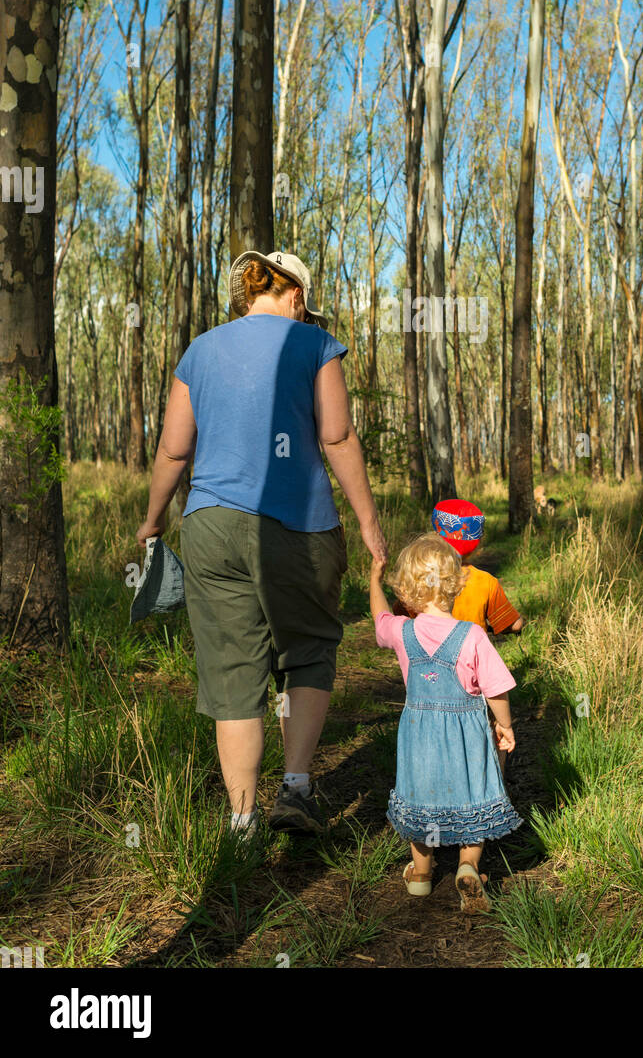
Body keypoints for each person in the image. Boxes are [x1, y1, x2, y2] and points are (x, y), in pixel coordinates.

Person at [136, 249, 387, 841]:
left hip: (211, 527)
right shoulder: (314, 345)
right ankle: (296, 789)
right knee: (308, 649)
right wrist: (370, 525)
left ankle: (242, 823)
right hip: (298, 526)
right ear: (297, 297)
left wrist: (152, 521)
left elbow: (174, 450)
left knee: (232, 673)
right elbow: (338, 435)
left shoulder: (200, 351)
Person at [370, 534, 522, 913]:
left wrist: (374, 579)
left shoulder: (403, 632)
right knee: (473, 797)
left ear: (406, 591)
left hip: (419, 737)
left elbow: (378, 621)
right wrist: (505, 726)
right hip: (467, 736)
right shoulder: (471, 635)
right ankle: (468, 867)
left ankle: (420, 875)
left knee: (422, 797)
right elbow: (496, 689)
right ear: (455, 584)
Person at [392, 499, 523, 772]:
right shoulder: (486, 582)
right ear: (477, 540)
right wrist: (518, 622)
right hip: (470, 677)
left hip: (424, 678)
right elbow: (513, 624)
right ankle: (493, 787)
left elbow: (399, 618)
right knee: (487, 733)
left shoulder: (418, 580)